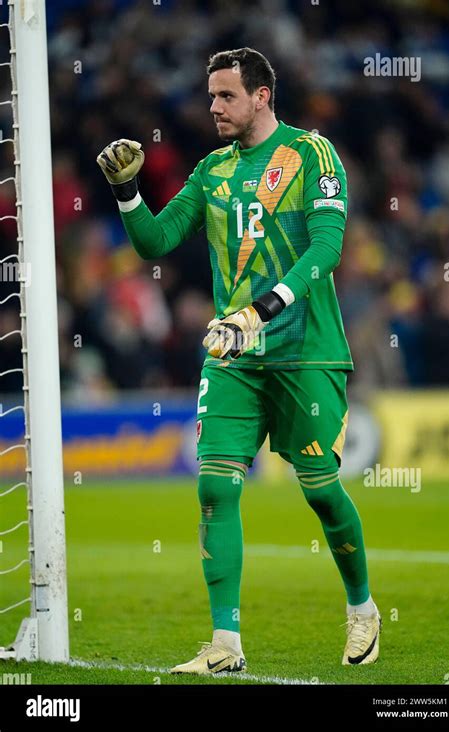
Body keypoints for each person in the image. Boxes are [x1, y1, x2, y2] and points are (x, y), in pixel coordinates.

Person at [97, 47, 381, 675]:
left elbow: (328, 248)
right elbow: (157, 240)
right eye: (211, 96)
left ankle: (362, 606)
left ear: (261, 96)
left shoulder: (311, 153)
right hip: (233, 353)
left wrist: (264, 308)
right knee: (213, 488)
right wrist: (126, 192)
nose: (213, 107)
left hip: (304, 351)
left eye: (226, 95)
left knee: (323, 494)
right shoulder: (212, 171)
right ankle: (225, 645)